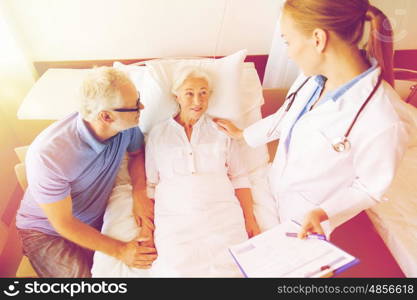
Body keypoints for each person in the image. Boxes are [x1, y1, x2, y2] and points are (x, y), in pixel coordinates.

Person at [215, 0, 409, 239]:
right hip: (271, 185)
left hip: (305, 217)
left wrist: (322, 213)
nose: (288, 51)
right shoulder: (311, 79)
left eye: (288, 41)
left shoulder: (384, 118)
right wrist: (243, 134)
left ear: (318, 39)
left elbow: (369, 188)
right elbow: (287, 116)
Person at [15, 66, 157, 277]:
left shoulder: (126, 126)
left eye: (138, 99)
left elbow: (136, 154)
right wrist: (121, 250)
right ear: (106, 117)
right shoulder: (50, 155)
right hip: (48, 231)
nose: (142, 107)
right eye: (135, 105)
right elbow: (63, 223)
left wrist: (139, 192)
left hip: (93, 219)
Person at [145, 67, 261, 277]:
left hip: (222, 214)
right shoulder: (158, 134)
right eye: (189, 93)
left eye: (203, 92)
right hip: (175, 218)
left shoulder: (222, 130)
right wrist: (147, 229)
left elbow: (240, 177)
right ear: (176, 96)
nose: (197, 100)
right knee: (176, 271)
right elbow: (151, 185)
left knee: (231, 270)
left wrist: (250, 220)